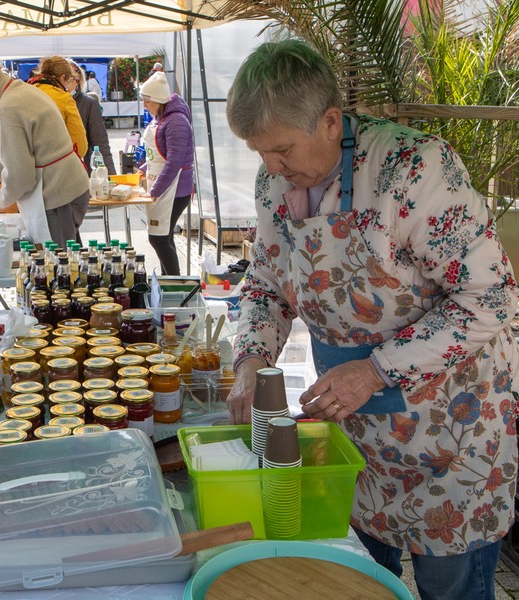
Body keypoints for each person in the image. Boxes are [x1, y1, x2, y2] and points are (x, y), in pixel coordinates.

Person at [225, 39, 518, 600]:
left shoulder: (415, 171)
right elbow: (265, 282)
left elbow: (492, 296)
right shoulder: (275, 184)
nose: (271, 168)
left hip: (452, 423)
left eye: (282, 149)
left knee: (449, 586)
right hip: (353, 425)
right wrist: (252, 359)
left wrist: (376, 370)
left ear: (330, 121)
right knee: (356, 579)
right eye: (259, 153)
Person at [0, 57, 90, 247]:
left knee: (57, 266)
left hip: (57, 196)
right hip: (68, 189)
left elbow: (21, 176)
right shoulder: (20, 90)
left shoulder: (8, 108)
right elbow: (23, 155)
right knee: (67, 260)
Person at [137, 70, 194, 275]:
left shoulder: (176, 121)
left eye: (147, 101)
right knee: (164, 236)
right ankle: (167, 283)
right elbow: (157, 158)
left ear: (159, 100)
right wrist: (143, 171)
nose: (145, 105)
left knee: (158, 238)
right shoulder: (161, 117)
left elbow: (174, 163)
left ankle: (174, 284)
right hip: (163, 186)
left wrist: (154, 191)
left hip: (176, 190)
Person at [29, 56, 88, 160]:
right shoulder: (64, 99)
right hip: (55, 164)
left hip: (27, 162)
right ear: (62, 77)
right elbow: (79, 146)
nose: (68, 86)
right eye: (68, 81)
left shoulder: (26, 92)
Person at [70, 62, 115, 175]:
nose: (66, 84)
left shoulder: (89, 104)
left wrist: (111, 176)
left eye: (72, 79)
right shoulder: (50, 102)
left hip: (83, 171)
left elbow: (100, 143)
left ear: (78, 81)